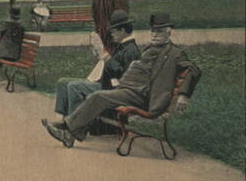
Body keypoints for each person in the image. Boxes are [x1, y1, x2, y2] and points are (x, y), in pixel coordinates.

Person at [42, 13, 201, 149]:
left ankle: (68, 129)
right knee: (96, 96)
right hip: (130, 90)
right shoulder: (150, 50)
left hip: (145, 96)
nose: (154, 35)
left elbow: (194, 70)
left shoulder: (175, 53)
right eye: (152, 31)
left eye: (159, 32)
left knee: (98, 96)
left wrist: (184, 95)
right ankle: (69, 129)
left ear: (169, 32)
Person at [52, 11, 140, 121]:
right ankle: (59, 118)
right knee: (62, 82)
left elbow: (124, 75)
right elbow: (114, 66)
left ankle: (73, 124)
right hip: (103, 82)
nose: (111, 34)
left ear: (122, 31)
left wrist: (105, 57)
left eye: (113, 31)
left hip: (112, 89)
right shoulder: (123, 46)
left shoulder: (131, 50)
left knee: (73, 86)